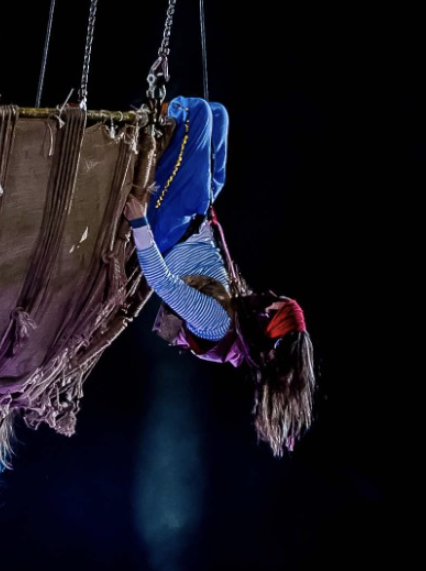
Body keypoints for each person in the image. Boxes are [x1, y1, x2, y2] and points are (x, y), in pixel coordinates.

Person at [123, 96, 316, 455]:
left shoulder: (216, 323)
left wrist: (138, 224)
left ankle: (155, 109)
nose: (269, 298)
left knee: (198, 114)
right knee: (219, 115)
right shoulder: (239, 316)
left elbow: (162, 282)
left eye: (275, 305)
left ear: (271, 323)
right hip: (194, 221)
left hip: (170, 229)